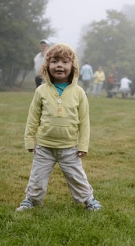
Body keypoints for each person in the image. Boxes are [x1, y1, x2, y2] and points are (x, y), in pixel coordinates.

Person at [16, 43, 102, 212]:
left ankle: (88, 200)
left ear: (73, 67)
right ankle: (31, 200)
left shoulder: (79, 92)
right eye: (54, 61)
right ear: (47, 66)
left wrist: (83, 145)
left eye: (65, 61)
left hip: (70, 147)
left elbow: (84, 121)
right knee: (37, 177)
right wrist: (29, 140)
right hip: (44, 146)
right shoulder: (41, 91)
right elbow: (33, 117)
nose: (60, 65)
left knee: (77, 177)